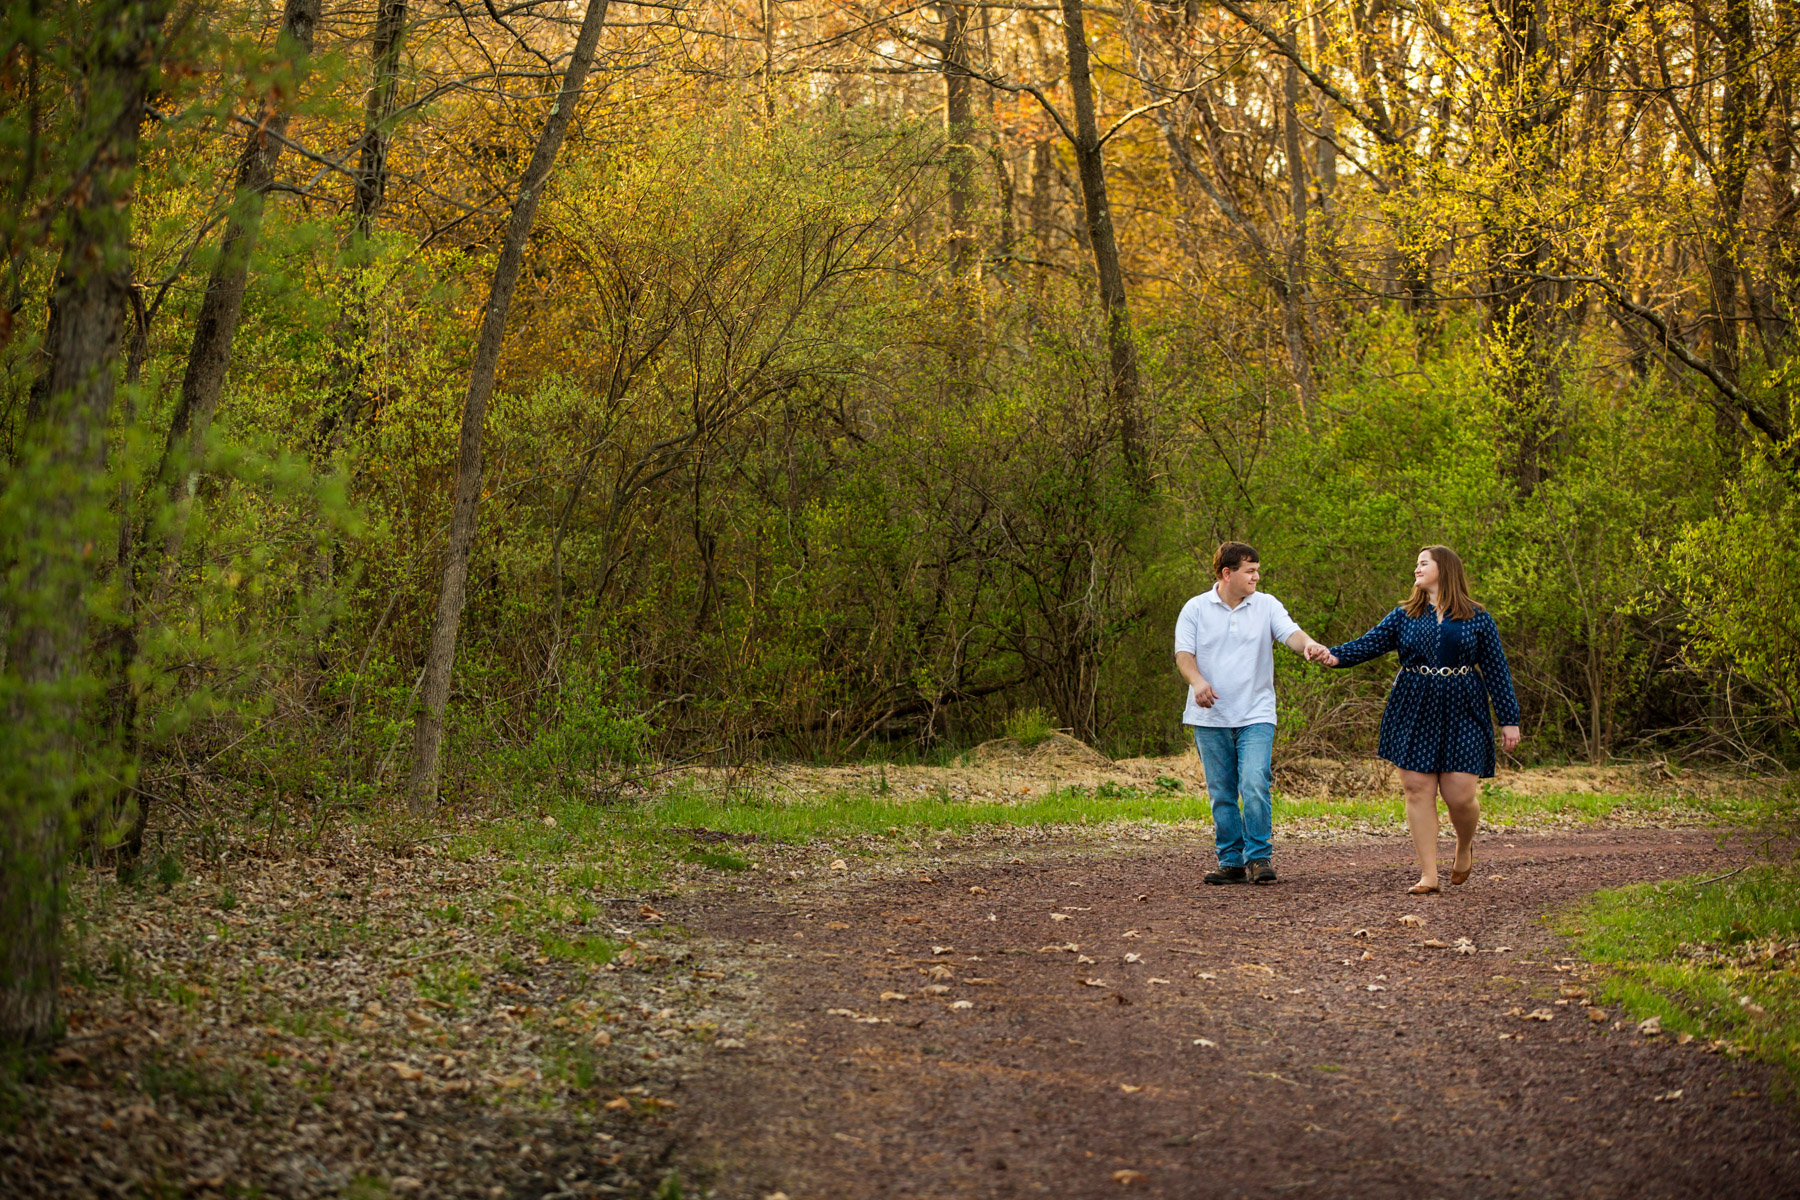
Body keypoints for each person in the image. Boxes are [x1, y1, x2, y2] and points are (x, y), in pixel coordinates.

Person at [1309, 545, 1522, 895]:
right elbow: (1369, 644)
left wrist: (1509, 719)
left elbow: (1497, 669)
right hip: (1414, 705)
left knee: (1460, 795)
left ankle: (1464, 846)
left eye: (1424, 563)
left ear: (1445, 568)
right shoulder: (1404, 615)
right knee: (1417, 788)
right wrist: (1333, 656)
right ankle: (1429, 874)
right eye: (1416, 565)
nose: (1416, 570)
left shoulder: (1477, 617)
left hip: (1463, 706)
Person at [1175, 542, 1331, 885]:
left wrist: (1308, 645)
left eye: (1258, 570)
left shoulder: (1266, 605)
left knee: (1254, 781)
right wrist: (1197, 681)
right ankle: (1231, 861)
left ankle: (1259, 856)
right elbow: (1184, 654)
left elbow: (1290, 633)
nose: (1257, 576)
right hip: (1210, 717)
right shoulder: (1195, 608)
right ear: (1227, 574)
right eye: (1250, 570)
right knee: (1222, 792)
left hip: (1256, 713)